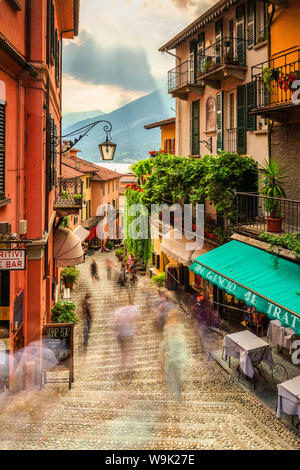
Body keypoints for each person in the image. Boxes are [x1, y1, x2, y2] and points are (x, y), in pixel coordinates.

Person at [161, 311, 190, 401]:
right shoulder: (168, 328)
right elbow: (165, 343)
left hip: (178, 356)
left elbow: (183, 341)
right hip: (170, 355)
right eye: (172, 317)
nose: (174, 319)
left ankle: (177, 396)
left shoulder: (179, 327)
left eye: (175, 317)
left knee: (177, 376)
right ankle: (169, 396)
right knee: (170, 376)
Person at [114, 294, 141, 377]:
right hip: (129, 334)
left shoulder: (119, 310)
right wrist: (137, 330)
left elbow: (116, 322)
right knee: (131, 350)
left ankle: (123, 366)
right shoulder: (133, 309)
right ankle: (130, 367)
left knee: (123, 352)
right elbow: (137, 321)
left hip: (121, 335)